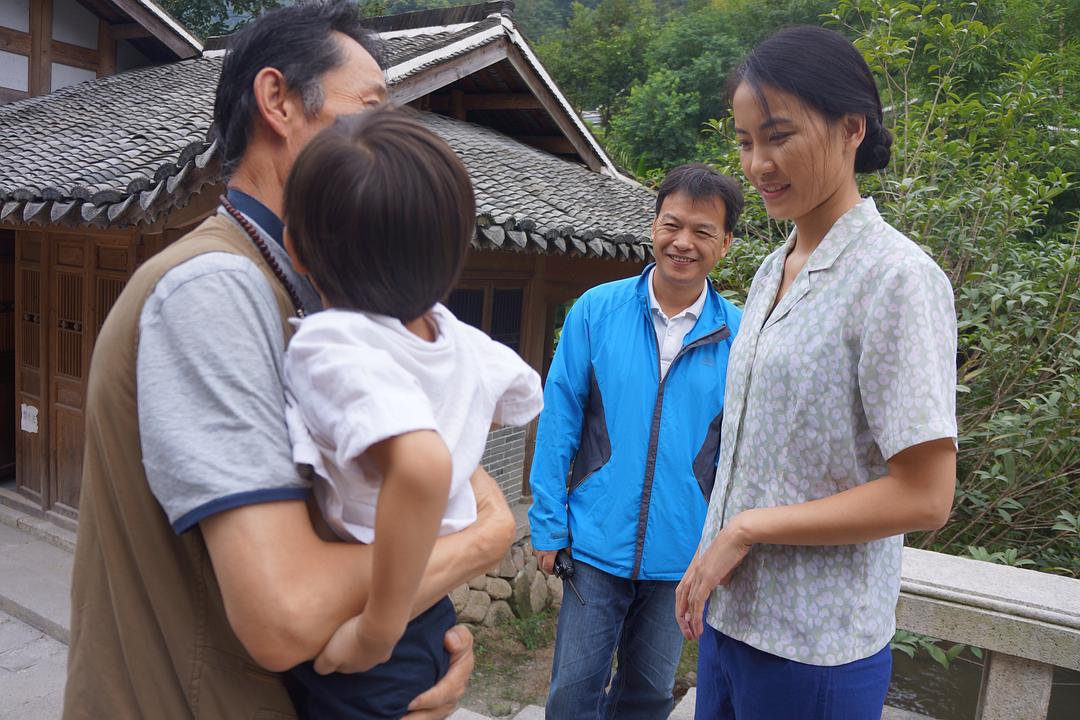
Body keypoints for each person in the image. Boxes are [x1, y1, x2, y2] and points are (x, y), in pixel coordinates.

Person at [62, 3, 516, 719]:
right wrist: (484, 539)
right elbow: (286, 613)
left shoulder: (334, 302)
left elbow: (427, 467)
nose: (387, 132)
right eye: (371, 106)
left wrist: (418, 662)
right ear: (277, 100)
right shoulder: (219, 289)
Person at [674, 25, 958, 720]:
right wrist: (712, 545)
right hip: (732, 621)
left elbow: (926, 495)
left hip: (815, 648)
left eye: (779, 136)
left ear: (851, 128)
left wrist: (746, 529)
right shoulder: (774, 268)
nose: (759, 164)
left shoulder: (897, 278)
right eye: (746, 142)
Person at [278, 108, 544, 719]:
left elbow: (421, 465)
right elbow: (524, 397)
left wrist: (377, 628)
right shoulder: (459, 337)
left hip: (373, 614)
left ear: (295, 248)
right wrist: (454, 420)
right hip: (431, 608)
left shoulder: (333, 343)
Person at [529, 163, 745, 719]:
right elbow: (560, 419)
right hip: (594, 544)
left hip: (682, 554)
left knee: (648, 695)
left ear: (725, 243)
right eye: (672, 225)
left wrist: (722, 545)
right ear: (653, 226)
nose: (683, 242)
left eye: (702, 231)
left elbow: (743, 454)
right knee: (573, 693)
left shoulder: (742, 335)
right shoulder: (597, 311)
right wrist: (549, 524)